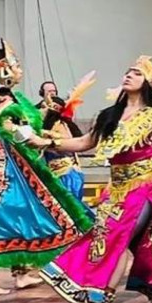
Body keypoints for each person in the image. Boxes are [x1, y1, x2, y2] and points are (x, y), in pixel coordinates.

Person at [27, 56, 152, 303]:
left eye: (136, 73)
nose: (129, 75)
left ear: (148, 82)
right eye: (127, 72)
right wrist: (45, 142)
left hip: (146, 183)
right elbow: (84, 142)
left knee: (115, 236)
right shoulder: (109, 115)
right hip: (117, 185)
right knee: (139, 239)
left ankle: (98, 302)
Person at [0, 0, 94, 296]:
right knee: (1, 213)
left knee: (20, 212)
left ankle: (21, 273)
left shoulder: (4, 94)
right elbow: (7, 127)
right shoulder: (0, 95)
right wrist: (30, 135)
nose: (19, 69)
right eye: (15, 65)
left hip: (12, 161)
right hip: (1, 164)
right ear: (3, 69)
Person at [39, 72, 97, 204]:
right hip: (52, 171)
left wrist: (48, 140)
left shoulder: (61, 125)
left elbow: (69, 142)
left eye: (54, 91)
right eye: (49, 92)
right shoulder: (39, 118)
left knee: (68, 204)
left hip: (65, 173)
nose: (43, 110)